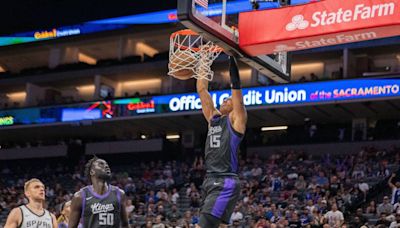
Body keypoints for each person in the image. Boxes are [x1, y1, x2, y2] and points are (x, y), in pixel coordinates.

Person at [196, 56, 247, 228]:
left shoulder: (236, 121)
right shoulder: (213, 118)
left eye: (229, 99)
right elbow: (202, 90)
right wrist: (203, 64)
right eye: (224, 98)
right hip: (210, 179)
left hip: (224, 181)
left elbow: (236, 90)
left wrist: (232, 58)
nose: (225, 99)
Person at [68, 156, 130, 228]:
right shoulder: (80, 197)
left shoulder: (119, 194)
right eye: (101, 164)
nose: (106, 166)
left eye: (106, 164)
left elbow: (125, 225)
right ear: (92, 171)